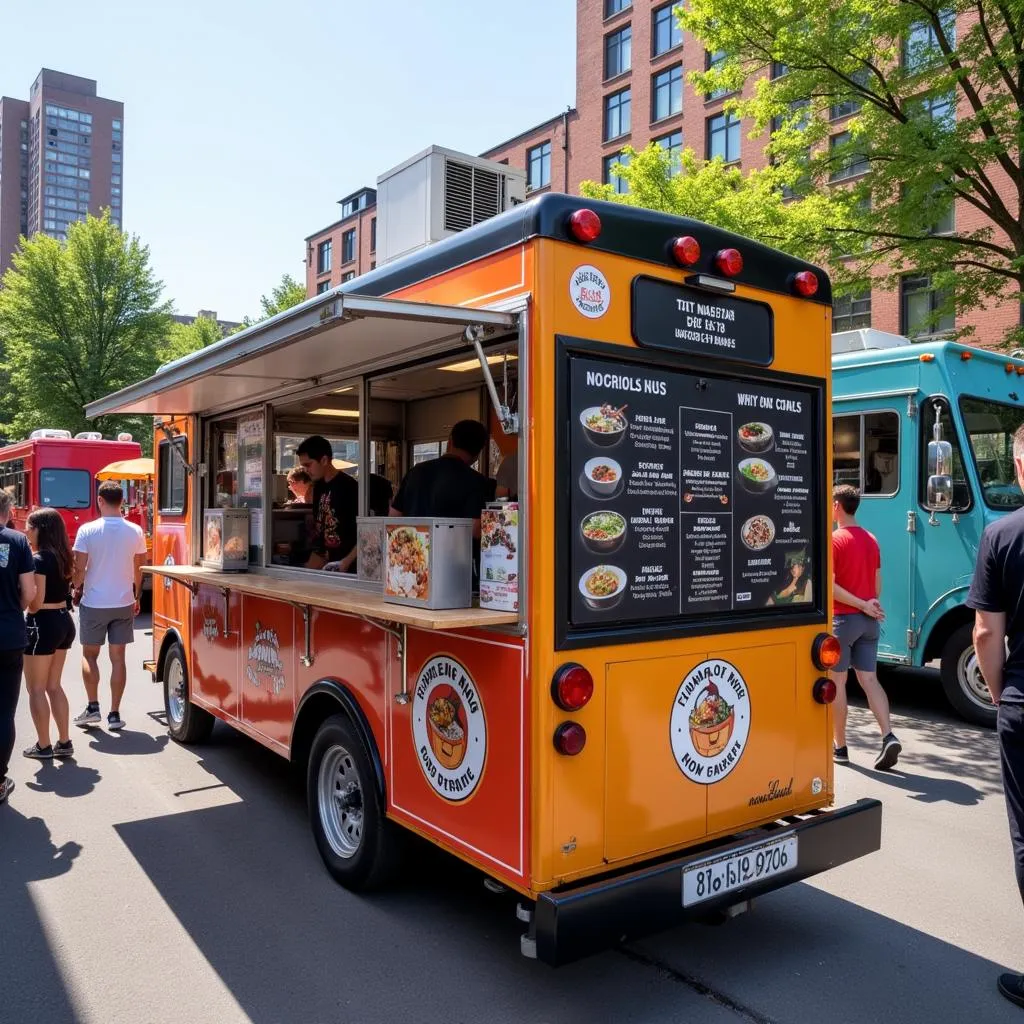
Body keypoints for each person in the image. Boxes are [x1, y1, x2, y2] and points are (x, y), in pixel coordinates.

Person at [967, 422, 1024, 1010]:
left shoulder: (1003, 534)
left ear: (1018, 466)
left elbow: (985, 632)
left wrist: (1003, 689)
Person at [829, 484, 901, 771]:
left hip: (843, 620)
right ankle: (888, 735)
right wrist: (869, 605)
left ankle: (841, 747)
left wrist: (859, 604)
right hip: (869, 623)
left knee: (837, 683)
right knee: (870, 680)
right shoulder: (871, 539)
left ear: (837, 506)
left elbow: (830, 588)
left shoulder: (835, 540)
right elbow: (877, 585)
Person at [71, 481, 147, 732]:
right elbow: (139, 568)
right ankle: (114, 714)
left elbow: (79, 569)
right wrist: (136, 596)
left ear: (100, 500)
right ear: (122, 501)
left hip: (94, 602)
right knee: (118, 659)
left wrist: (76, 587)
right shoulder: (135, 531)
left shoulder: (87, 530)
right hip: (123, 601)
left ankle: (93, 708)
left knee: (89, 655)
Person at [22, 508, 76, 759]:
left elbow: (35, 602)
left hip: (42, 623)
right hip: (64, 621)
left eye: (29, 527)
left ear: (40, 529)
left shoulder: (39, 559)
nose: (26, 531)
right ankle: (64, 742)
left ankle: (43, 745)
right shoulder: (63, 556)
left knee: (36, 689)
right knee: (54, 686)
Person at [390, 420, 496, 537]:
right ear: (478, 452)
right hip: (453, 553)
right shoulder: (476, 481)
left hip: (414, 551)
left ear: (450, 441)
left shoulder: (416, 472)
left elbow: (394, 516)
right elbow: (475, 528)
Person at [0, 489, 36, 804]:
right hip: (8, 635)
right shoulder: (17, 541)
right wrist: (15, 609)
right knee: (4, 711)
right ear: (8, 510)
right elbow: (29, 591)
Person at [296, 435, 358, 572]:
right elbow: (321, 531)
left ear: (324, 460)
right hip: (326, 563)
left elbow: (365, 534)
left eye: (308, 465)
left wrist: (346, 562)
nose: (306, 470)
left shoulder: (349, 487)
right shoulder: (318, 486)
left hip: (349, 565)